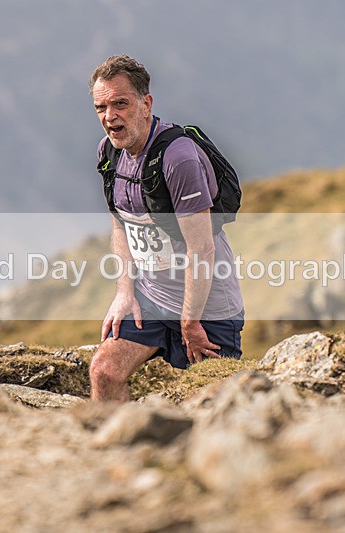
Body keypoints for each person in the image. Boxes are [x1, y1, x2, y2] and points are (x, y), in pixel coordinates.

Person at [88, 55, 244, 402]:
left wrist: (190, 322)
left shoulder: (178, 158)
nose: (109, 117)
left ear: (146, 104)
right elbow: (121, 223)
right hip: (151, 302)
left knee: (209, 407)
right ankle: (113, 453)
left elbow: (202, 248)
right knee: (104, 372)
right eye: (101, 107)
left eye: (120, 104)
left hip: (208, 310)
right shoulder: (110, 154)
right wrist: (125, 292)